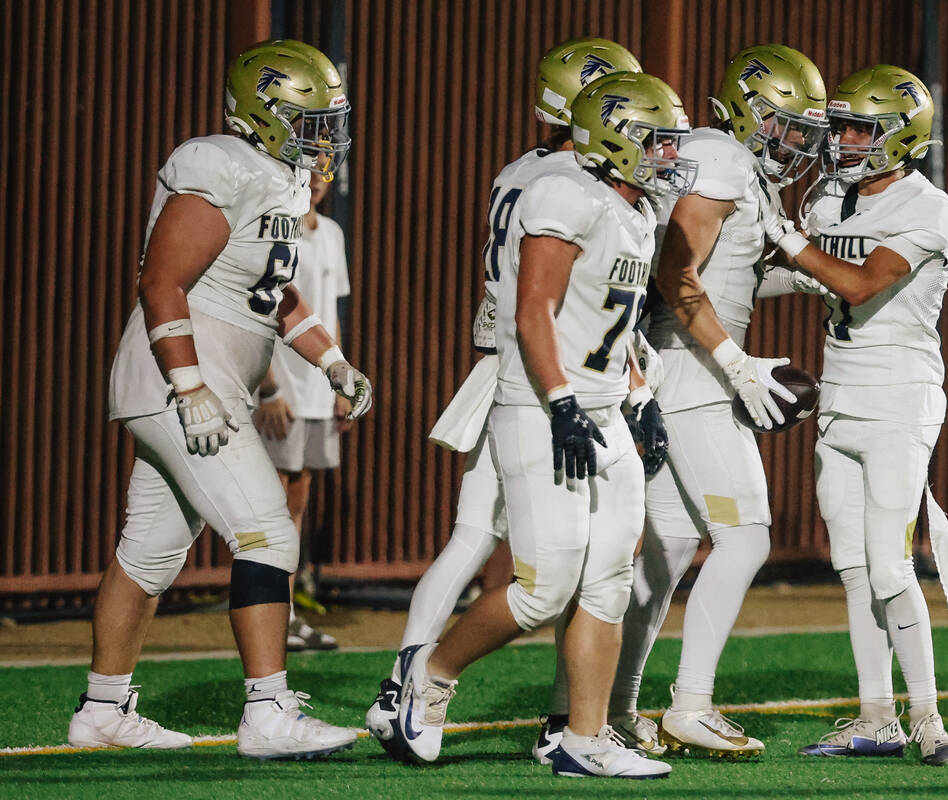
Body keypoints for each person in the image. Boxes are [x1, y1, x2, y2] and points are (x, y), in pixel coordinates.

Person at [366, 71, 695, 779]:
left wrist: (642, 398)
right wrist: (561, 400)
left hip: (603, 405)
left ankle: (585, 736)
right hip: (541, 407)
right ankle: (428, 677)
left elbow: (614, 324)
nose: (670, 157)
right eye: (658, 142)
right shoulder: (562, 193)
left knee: (608, 579)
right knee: (544, 586)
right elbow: (533, 308)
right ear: (613, 136)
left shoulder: (633, 210)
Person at [69, 40, 373, 760]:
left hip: (205, 379)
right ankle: (267, 711)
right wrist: (190, 385)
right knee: (267, 530)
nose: (324, 135)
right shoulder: (219, 162)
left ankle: (103, 708)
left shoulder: (281, 180)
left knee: (148, 557)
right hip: (181, 378)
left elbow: (271, 292)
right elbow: (160, 281)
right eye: (310, 118)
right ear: (263, 111)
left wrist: (332, 360)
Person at [605, 44, 827, 758]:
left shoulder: (739, 171)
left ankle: (616, 707)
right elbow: (675, 272)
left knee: (668, 548)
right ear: (745, 108)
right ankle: (690, 704)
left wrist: (798, 282)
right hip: (692, 373)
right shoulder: (721, 158)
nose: (795, 142)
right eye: (785, 124)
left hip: (679, 368)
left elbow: (720, 280)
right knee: (748, 535)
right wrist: (737, 364)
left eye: (803, 130)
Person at [771, 64, 948, 766]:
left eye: (862, 128)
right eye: (843, 126)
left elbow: (855, 281)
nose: (846, 140)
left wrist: (785, 238)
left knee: (888, 566)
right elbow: (800, 274)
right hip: (841, 397)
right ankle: (875, 717)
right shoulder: (829, 200)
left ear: (901, 135)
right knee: (852, 566)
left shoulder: (926, 205)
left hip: (898, 400)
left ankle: (929, 720)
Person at [253, 169, 352, 652]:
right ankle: (269, 619)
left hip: (317, 391)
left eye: (325, 171)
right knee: (269, 510)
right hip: (281, 393)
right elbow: (261, 312)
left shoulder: (331, 234)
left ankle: (287, 618)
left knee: (297, 506)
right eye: (308, 169)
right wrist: (267, 389)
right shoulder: (273, 229)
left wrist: (341, 382)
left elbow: (329, 315)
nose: (316, 180)